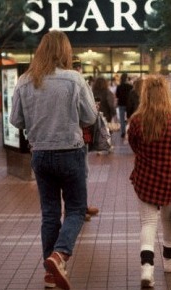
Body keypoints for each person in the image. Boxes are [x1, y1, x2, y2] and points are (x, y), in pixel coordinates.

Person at [10, 30, 98, 290]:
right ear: (65, 52)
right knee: (75, 209)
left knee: (49, 213)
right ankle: (59, 255)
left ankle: (50, 274)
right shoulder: (74, 79)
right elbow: (90, 117)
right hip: (70, 151)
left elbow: (15, 120)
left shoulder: (25, 80)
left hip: (40, 154)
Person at [128, 75, 171, 288]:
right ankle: (169, 262)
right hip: (170, 178)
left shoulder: (136, 120)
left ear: (144, 95)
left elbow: (134, 146)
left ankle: (147, 268)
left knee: (148, 223)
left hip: (145, 178)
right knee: (168, 221)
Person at [72, 55, 99, 221]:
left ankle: (81, 206)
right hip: (76, 134)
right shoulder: (77, 83)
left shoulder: (79, 83)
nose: (77, 69)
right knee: (78, 173)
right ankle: (77, 209)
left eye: (78, 66)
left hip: (80, 135)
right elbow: (89, 115)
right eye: (75, 66)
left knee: (83, 171)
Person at [115, 73, 133, 138]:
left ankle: (123, 133)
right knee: (130, 119)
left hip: (121, 104)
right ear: (127, 79)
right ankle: (131, 132)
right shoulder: (130, 86)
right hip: (129, 104)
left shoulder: (119, 86)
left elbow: (117, 96)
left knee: (122, 120)